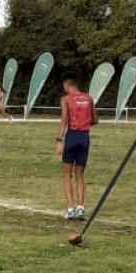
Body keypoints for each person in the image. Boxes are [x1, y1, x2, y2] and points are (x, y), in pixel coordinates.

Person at [55, 74, 98, 221]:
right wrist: (84, 124)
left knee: (67, 174)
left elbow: (64, 119)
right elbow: (95, 119)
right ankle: (80, 207)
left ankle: (70, 208)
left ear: (67, 85)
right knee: (80, 174)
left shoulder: (66, 99)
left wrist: (59, 139)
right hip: (84, 137)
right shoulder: (89, 98)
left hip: (72, 136)